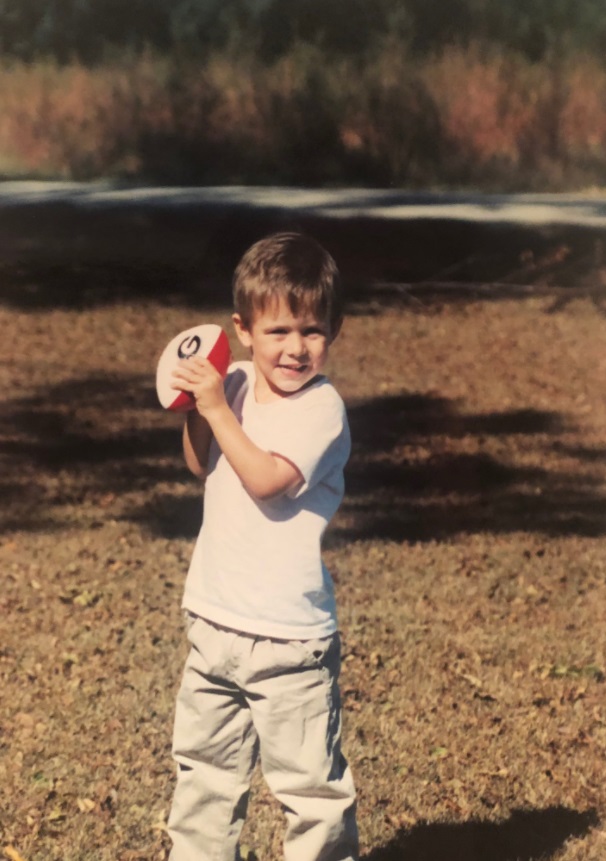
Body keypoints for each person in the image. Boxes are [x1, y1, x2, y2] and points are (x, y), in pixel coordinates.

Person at [166, 232, 358, 861]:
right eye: (278, 332)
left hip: (288, 640)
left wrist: (218, 408)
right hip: (215, 620)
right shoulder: (237, 382)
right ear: (243, 330)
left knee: (309, 789)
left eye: (312, 331)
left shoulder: (323, 410)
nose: (296, 348)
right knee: (205, 774)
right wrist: (200, 407)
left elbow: (269, 482)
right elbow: (200, 464)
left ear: (333, 330)